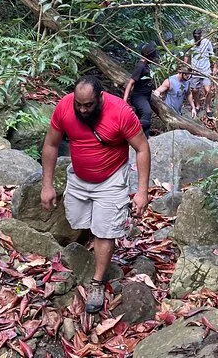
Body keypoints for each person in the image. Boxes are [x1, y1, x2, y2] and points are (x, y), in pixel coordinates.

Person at [40, 75, 150, 314]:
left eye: (88, 105)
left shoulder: (120, 112)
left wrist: (142, 191)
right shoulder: (64, 107)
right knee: (78, 219)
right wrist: (46, 185)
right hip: (79, 177)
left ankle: (97, 282)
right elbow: (51, 145)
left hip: (111, 179)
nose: (82, 109)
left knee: (104, 230)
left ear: (100, 98)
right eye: (78, 104)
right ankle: (96, 241)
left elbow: (142, 148)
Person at [123, 43, 155, 137]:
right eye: (153, 56)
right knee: (147, 112)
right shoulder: (140, 66)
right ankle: (134, 133)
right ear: (149, 56)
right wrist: (124, 100)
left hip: (146, 96)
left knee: (140, 117)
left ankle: (144, 137)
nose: (154, 59)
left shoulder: (146, 65)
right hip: (139, 97)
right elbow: (130, 83)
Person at [184, 28, 216, 118]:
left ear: (201, 36)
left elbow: (212, 55)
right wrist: (185, 67)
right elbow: (186, 55)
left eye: (198, 36)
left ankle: (208, 108)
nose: (197, 38)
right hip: (195, 70)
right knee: (195, 90)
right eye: (195, 36)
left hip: (205, 69)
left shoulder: (207, 42)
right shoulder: (190, 43)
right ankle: (197, 105)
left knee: (208, 90)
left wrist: (215, 67)